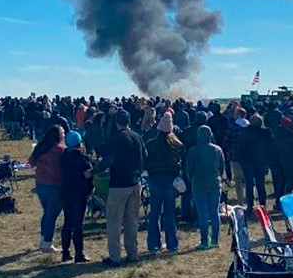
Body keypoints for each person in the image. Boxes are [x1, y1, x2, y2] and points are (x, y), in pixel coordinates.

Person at [93, 110, 147, 267]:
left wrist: (94, 170)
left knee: (114, 221)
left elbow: (109, 159)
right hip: (135, 183)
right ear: (129, 121)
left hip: (119, 185)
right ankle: (133, 254)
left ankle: (115, 257)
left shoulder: (117, 138)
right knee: (132, 220)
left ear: (117, 122)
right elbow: (145, 154)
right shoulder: (137, 137)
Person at [144, 113, 183, 253]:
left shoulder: (150, 144)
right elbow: (180, 163)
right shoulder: (175, 146)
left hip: (154, 179)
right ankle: (172, 244)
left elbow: (146, 162)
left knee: (154, 212)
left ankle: (153, 244)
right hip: (170, 180)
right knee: (169, 213)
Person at [185, 125, 225, 249]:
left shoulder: (193, 151)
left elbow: (188, 169)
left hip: (199, 183)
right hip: (214, 181)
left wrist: (192, 179)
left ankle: (203, 241)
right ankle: (215, 240)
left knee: (202, 213)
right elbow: (222, 167)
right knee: (214, 212)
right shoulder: (217, 149)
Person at [29, 124, 66, 253]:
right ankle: (47, 244)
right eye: (63, 133)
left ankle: (43, 239)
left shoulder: (41, 148)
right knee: (52, 215)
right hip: (55, 185)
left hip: (40, 185)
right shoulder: (61, 150)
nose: (64, 135)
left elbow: (31, 162)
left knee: (47, 213)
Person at [58, 130, 93, 263]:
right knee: (78, 224)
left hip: (66, 192)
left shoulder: (63, 157)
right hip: (79, 194)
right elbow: (88, 175)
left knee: (67, 222)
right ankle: (79, 253)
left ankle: (65, 252)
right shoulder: (83, 159)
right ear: (79, 143)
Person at [239, 114, 274, 210]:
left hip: (248, 162)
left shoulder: (245, 132)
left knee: (249, 185)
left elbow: (241, 147)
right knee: (260, 184)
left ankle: (250, 205)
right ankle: (263, 204)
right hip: (261, 162)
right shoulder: (266, 132)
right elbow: (270, 148)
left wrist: (241, 161)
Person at [224, 108, 249, 205]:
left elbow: (227, 140)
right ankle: (250, 200)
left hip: (235, 156)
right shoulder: (249, 126)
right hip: (248, 157)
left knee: (238, 179)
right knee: (248, 179)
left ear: (238, 115)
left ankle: (240, 201)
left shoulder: (233, 126)